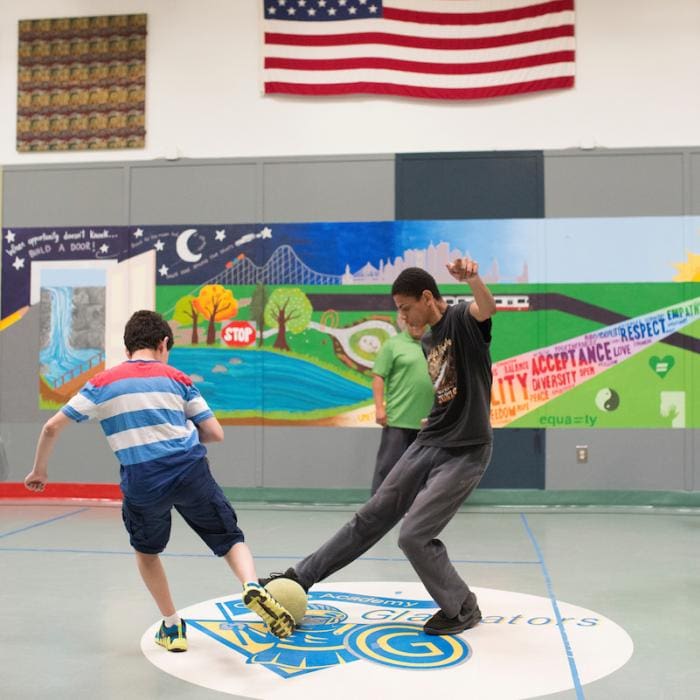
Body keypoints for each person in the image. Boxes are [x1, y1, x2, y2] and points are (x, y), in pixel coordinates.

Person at [25, 310, 295, 651]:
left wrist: (40, 471)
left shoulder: (102, 384)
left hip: (143, 479)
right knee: (229, 537)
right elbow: (215, 433)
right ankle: (251, 585)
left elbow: (51, 427)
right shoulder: (178, 378)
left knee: (147, 551)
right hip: (189, 469)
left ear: (127, 349)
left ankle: (172, 627)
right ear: (163, 343)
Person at [262, 259, 496, 636]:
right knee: (370, 516)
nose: (402, 317)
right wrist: (438, 414)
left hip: (466, 450)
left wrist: (473, 280)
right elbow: (448, 386)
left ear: (426, 297)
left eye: (405, 308)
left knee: (413, 535)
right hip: (431, 439)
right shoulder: (427, 339)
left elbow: (486, 309)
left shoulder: (459, 321)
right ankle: (298, 578)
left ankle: (463, 607)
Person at [371, 319, 433, 494]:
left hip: (427, 422)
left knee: (422, 470)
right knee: (388, 468)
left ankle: (415, 508)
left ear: (426, 322)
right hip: (398, 419)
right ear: (405, 322)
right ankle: (377, 510)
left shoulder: (436, 343)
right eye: (411, 322)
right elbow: (378, 377)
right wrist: (379, 408)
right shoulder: (393, 345)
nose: (415, 325)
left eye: (419, 322)